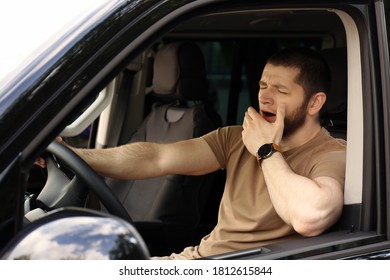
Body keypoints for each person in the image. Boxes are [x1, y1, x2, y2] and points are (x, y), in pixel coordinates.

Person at [57, 47, 347, 260]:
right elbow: (156, 158)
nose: (264, 97)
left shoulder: (333, 153)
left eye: (280, 90)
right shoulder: (235, 138)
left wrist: (266, 150)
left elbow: (311, 216)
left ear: (314, 104)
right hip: (198, 260)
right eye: (262, 85)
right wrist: (77, 157)